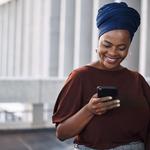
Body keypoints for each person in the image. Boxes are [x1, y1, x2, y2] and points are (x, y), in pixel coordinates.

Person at [52, 2, 150, 150]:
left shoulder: (137, 80)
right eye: (107, 45)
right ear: (98, 42)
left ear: (129, 47)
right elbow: (62, 133)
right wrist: (89, 110)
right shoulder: (80, 77)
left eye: (121, 47)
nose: (113, 53)